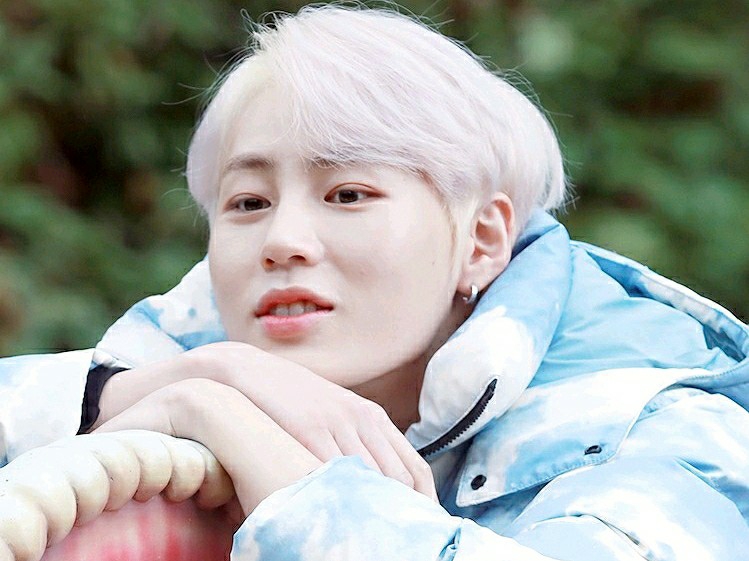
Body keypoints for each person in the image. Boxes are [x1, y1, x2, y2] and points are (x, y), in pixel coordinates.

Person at [2, 4, 749, 560]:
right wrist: (190, 383)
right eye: (248, 203)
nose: (282, 241)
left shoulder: (675, 430)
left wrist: (280, 475)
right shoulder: (196, 347)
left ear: (482, 239)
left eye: (348, 193)